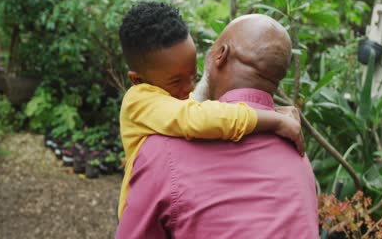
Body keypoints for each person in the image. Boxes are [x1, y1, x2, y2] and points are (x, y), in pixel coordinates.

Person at [115, 14, 319, 238]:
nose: (188, 89)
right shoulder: (297, 152)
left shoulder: (162, 150)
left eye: (193, 75)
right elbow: (195, 116)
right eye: (177, 81)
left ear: (220, 55)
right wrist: (274, 118)